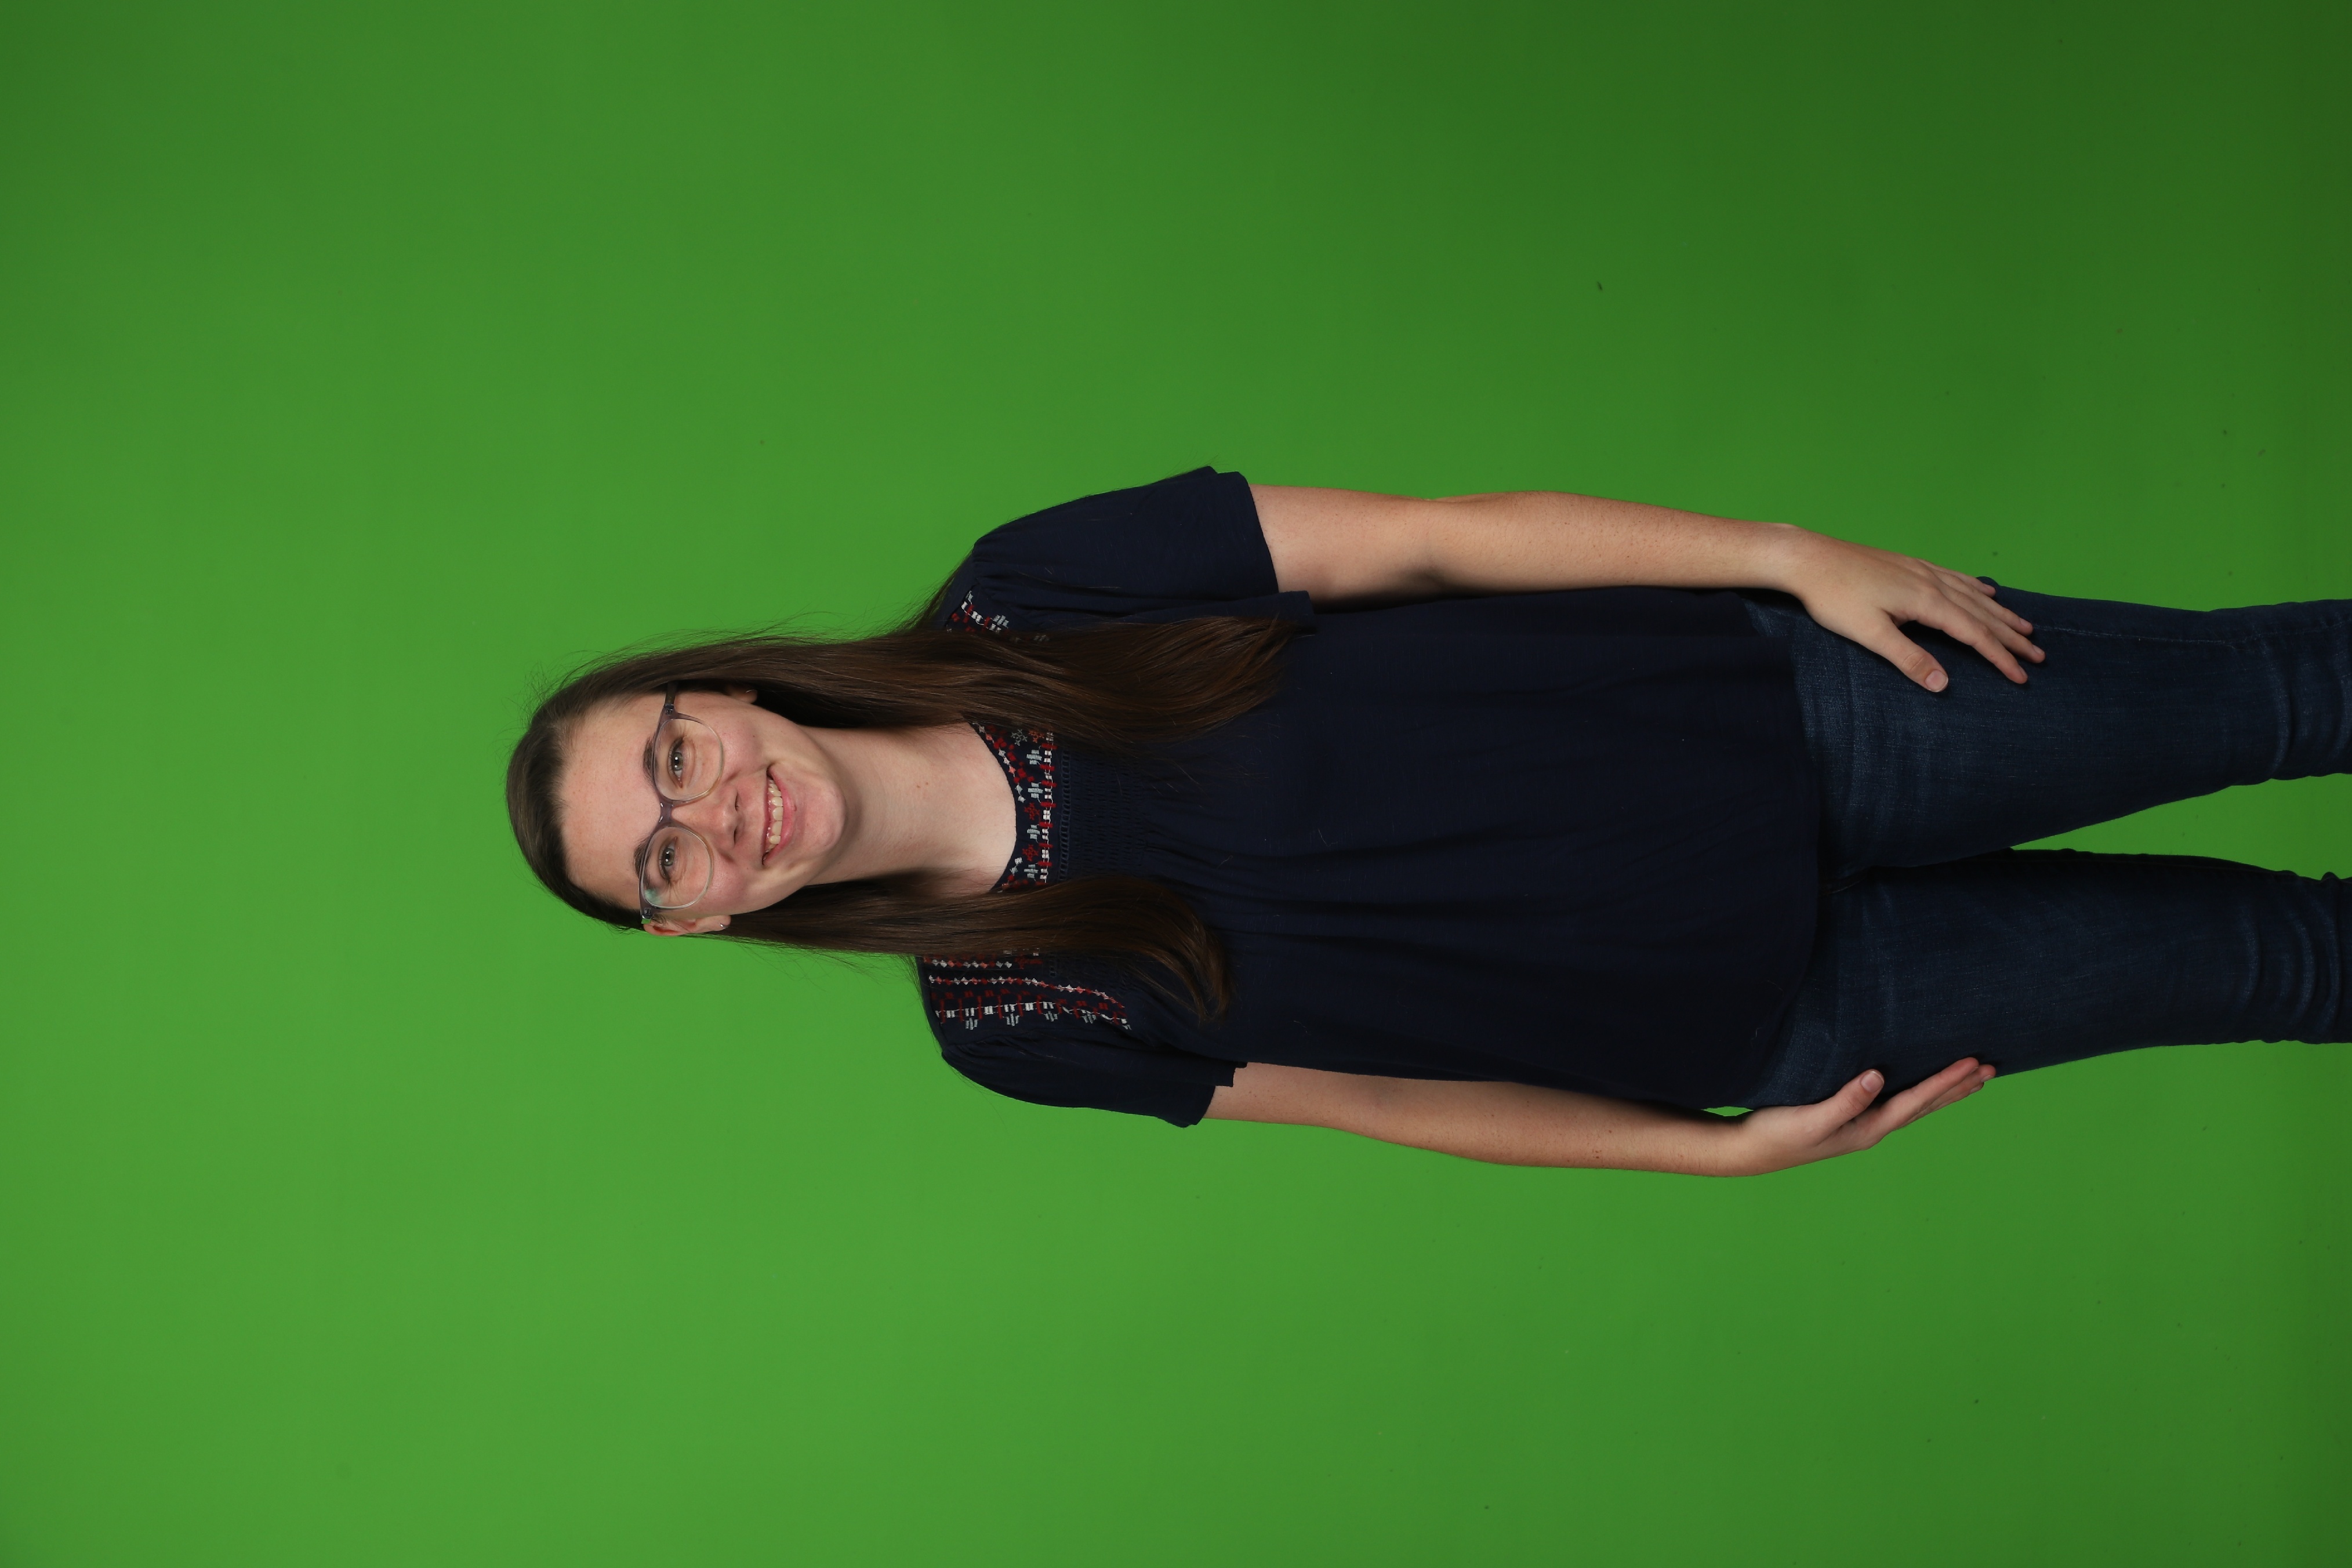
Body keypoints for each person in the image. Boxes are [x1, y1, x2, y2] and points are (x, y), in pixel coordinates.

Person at [506, 469, 2352, 1176]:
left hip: (1804, 717)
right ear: (696, 919)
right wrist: (1698, 1161)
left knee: (2287, 694)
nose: (716, 811)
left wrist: (1792, 558)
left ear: (716, 694)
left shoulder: (1031, 592)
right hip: (1792, 1012)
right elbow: (1381, 1102)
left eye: (673, 755)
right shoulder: (1010, 1023)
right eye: (666, 856)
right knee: (2287, 966)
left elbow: (1437, 540)